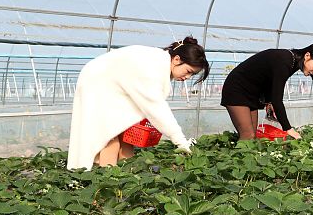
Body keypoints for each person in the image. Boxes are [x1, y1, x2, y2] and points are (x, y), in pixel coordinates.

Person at [67, 36, 210, 170]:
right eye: (188, 71)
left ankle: (126, 178)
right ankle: (106, 184)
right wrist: (181, 142)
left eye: (192, 75)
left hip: (108, 83)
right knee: (109, 137)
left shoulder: (158, 61)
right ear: (177, 59)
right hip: (97, 84)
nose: (187, 77)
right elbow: (157, 109)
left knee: (126, 137)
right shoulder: (153, 67)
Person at [221, 43, 313, 140]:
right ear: (307, 56)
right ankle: (234, 165)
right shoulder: (285, 60)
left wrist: (268, 101)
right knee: (248, 135)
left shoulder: (292, 62)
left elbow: (269, 81)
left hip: (252, 93)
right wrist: (288, 129)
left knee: (252, 137)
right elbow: (277, 99)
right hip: (237, 89)